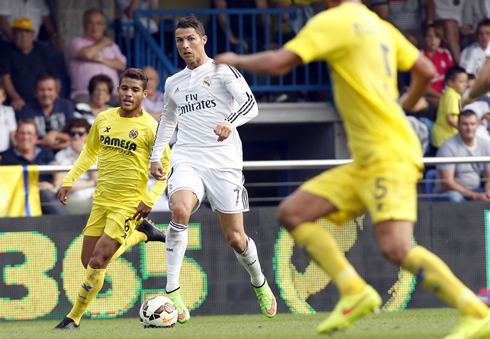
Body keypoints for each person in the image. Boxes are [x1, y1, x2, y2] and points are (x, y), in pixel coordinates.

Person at [214, 0, 490, 337]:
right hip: (367, 159)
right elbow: (425, 69)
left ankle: (476, 311)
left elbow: (278, 64)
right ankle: (353, 290)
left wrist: (235, 59)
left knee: (396, 247)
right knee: (294, 213)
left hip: (388, 153)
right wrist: (401, 105)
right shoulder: (378, 24)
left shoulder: (335, 20)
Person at [149, 15, 277, 324]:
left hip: (223, 163)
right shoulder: (173, 82)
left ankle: (259, 282)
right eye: (180, 40)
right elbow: (167, 119)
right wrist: (156, 156)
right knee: (179, 209)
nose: (185, 45)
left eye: (191, 39)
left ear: (203, 40)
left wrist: (229, 122)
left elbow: (250, 103)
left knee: (236, 238)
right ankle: (173, 290)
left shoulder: (222, 71)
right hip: (187, 158)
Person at [52, 68, 171, 330]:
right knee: (88, 263)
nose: (129, 94)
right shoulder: (104, 118)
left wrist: (150, 199)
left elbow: (165, 170)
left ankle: (73, 319)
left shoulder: (152, 128)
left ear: (145, 94)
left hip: (129, 204)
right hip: (101, 201)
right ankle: (141, 234)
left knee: (98, 261)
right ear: (118, 90)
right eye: (125, 88)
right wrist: (69, 180)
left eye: (135, 90)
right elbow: (88, 153)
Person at [0, 119, 65, 215]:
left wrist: (54, 187)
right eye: (22, 133)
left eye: (30, 134)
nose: (26, 137)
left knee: (46, 193)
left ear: (36, 137)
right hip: (18, 198)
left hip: (45, 195)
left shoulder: (45, 152)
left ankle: (66, 227)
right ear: (16, 137)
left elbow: (59, 170)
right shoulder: (7, 158)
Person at [0, 17, 64, 110]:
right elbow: (6, 78)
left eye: (27, 31)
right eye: (19, 31)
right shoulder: (6, 52)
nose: (24, 35)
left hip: (43, 98)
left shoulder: (44, 50)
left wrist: (56, 95)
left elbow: (54, 77)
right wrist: (16, 98)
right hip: (20, 102)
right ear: (13, 34)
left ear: (33, 34)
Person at [69, 8, 126, 100]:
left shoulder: (112, 46)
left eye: (99, 23)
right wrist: (103, 43)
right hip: (85, 94)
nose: (95, 27)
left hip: (110, 95)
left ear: (104, 26)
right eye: (90, 23)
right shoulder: (76, 42)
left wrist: (99, 59)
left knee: (127, 108)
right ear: (84, 25)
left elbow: (121, 65)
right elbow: (87, 54)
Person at [434, 110, 490, 202]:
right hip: (451, 194)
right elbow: (447, 184)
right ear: (458, 125)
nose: (469, 127)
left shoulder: (486, 145)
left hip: (477, 191)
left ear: (478, 125)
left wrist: (488, 193)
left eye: (472, 124)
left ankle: (487, 217)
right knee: (454, 197)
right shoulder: (447, 147)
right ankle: (463, 217)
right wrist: (475, 196)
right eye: (465, 124)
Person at [17, 73, 74, 151]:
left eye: (50, 89)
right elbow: (25, 140)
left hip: (65, 153)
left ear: (56, 91)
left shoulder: (66, 105)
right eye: (42, 90)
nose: (46, 94)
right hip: (37, 154)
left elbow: (74, 136)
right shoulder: (26, 109)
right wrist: (62, 142)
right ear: (35, 92)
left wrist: (55, 134)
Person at [53, 118, 97, 214]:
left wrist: (85, 154)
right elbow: (62, 186)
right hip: (72, 198)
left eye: (80, 133)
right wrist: (91, 183)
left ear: (87, 135)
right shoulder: (61, 155)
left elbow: (98, 181)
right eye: (73, 133)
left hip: (94, 196)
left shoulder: (95, 153)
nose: (76, 137)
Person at [0, 0, 64, 51]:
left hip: (33, 45)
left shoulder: (39, 1)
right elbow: (2, 21)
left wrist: (54, 36)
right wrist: (17, 41)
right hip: (9, 43)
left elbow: (46, 18)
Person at [370, 0, 435, 47]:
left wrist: (429, 25)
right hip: (393, 33)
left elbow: (429, 3)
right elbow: (383, 18)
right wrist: (404, 35)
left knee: (431, 42)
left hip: (418, 32)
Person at [431, 66, 468, 148]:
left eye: (466, 81)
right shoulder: (452, 95)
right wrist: (464, 131)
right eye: (461, 81)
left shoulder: (450, 93)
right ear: (450, 82)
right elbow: (450, 118)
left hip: (442, 136)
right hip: (445, 138)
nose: (465, 84)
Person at [420, 23, 454, 106]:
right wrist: (443, 97)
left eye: (436, 37)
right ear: (424, 38)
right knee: (446, 104)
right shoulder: (419, 56)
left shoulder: (445, 53)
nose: (433, 40)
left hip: (446, 93)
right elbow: (423, 88)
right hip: (427, 96)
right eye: (429, 36)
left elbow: (453, 77)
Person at [0, 83, 17, 155]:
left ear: (4, 97)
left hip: (6, 153)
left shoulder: (9, 111)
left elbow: (13, 133)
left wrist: (18, 152)